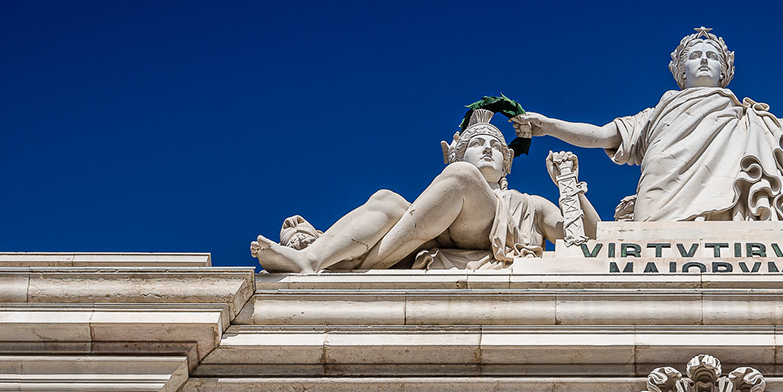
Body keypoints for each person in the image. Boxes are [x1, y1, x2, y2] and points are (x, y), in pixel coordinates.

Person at [510, 28, 783, 223]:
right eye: (695, 56)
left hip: (723, 200)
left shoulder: (748, 116)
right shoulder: (655, 113)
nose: (704, 61)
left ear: (725, 72)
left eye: (712, 57)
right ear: (681, 71)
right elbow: (603, 135)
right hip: (660, 195)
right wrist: (548, 125)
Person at [251, 113, 600, 273]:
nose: (488, 149)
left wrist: (569, 185)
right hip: (422, 244)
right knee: (387, 198)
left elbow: (591, 241)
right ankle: (314, 258)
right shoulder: (449, 183)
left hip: (473, 234)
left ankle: (348, 259)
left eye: (495, 144)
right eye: (476, 143)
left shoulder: (530, 204)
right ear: (453, 152)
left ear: (508, 162)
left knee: (462, 179)